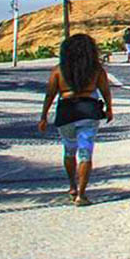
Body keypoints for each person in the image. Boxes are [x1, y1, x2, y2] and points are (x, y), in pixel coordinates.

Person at [38, 34, 114, 206]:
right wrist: (109, 109)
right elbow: (105, 91)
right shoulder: (96, 70)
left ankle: (72, 186)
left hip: (66, 112)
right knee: (85, 153)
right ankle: (82, 194)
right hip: (88, 112)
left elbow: (50, 94)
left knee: (69, 151)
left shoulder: (58, 70)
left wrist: (43, 117)